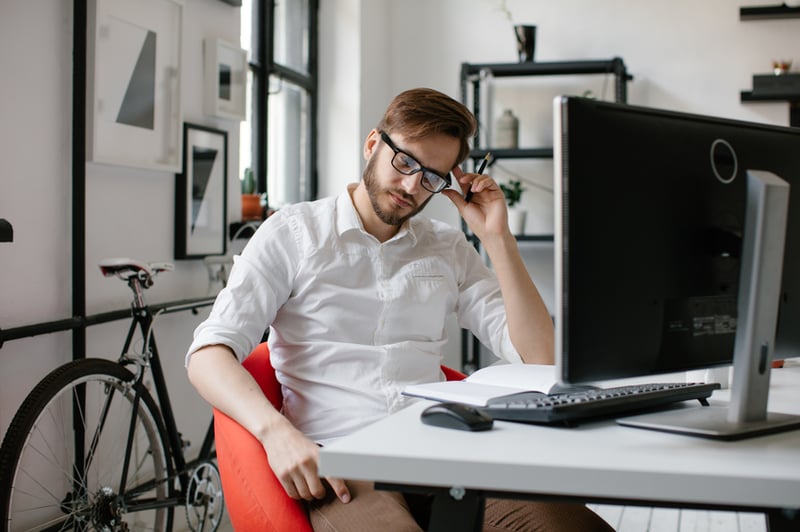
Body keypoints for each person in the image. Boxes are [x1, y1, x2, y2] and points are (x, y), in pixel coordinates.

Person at [186, 87, 613, 531]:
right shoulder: (293, 234)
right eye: (405, 162)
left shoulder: (446, 247)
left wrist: (497, 240)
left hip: (445, 455)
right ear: (373, 144)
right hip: (345, 465)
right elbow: (208, 355)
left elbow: (538, 357)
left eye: (432, 176)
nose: (412, 186)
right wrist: (277, 434)